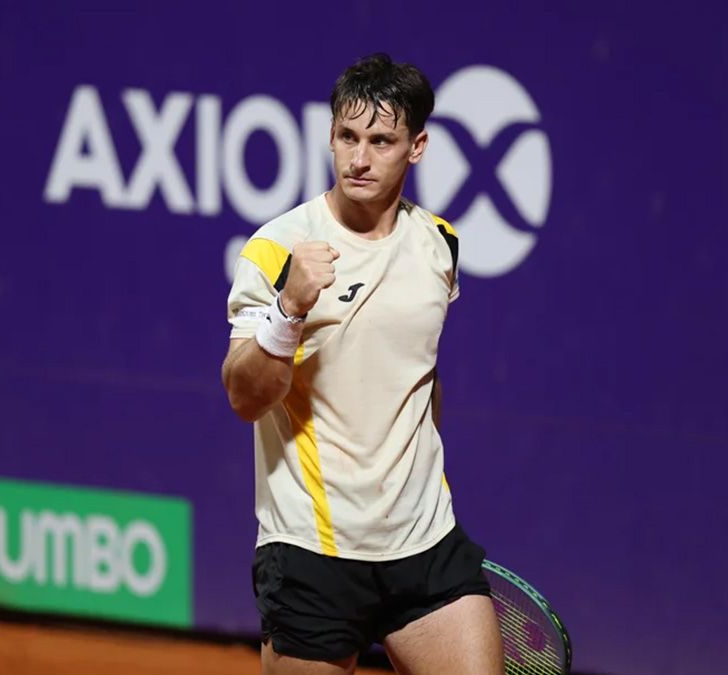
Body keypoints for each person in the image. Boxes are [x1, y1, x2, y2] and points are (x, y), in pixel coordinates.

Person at [221, 53, 504, 674]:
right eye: (348, 137)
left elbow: (419, 375)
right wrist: (288, 310)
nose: (359, 158)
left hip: (423, 541)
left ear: (417, 147)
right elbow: (244, 396)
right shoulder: (276, 249)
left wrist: (411, 469)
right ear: (329, 135)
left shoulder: (439, 245)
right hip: (313, 550)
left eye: (381, 141)